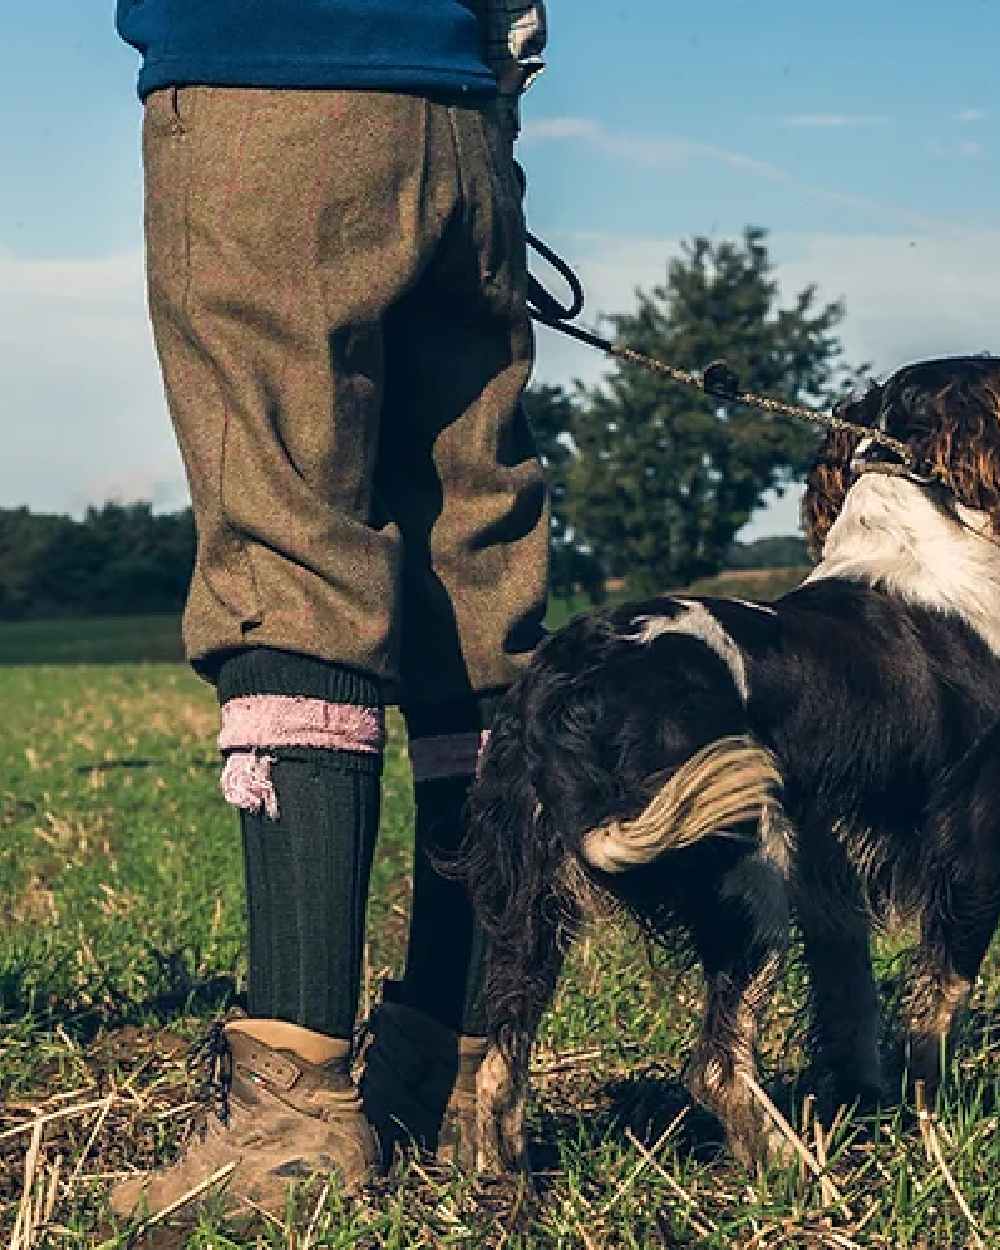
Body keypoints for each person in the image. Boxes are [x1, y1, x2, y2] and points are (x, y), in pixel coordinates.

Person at [111, 0, 549, 1219]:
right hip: (459, 119)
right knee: (475, 575)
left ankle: (293, 1121)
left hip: (265, 91)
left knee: (288, 555)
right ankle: (465, 1075)